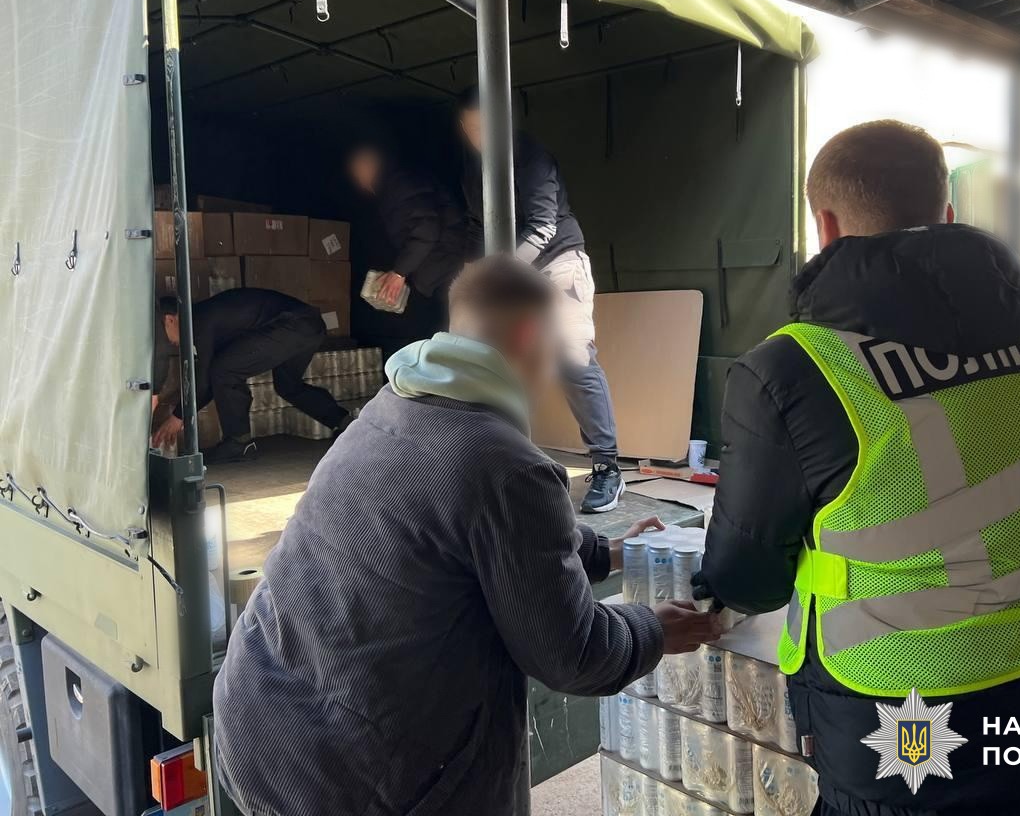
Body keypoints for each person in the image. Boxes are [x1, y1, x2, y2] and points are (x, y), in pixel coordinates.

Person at [698, 120, 1020, 816]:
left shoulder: (794, 367)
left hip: (909, 725)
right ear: (947, 213)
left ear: (825, 226)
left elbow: (745, 578)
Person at [212, 256, 721, 816]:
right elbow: (573, 654)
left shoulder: (392, 405)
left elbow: (478, 532)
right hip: (351, 779)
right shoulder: (508, 465)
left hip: (259, 717)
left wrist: (607, 552)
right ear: (529, 338)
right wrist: (654, 630)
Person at [458, 87, 624, 513]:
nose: (481, 136)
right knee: (494, 361)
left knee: (572, 358)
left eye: (486, 127)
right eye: (472, 129)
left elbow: (543, 227)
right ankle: (500, 464)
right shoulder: (472, 170)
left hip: (557, 264)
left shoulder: (531, 157)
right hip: (508, 271)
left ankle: (607, 466)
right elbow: (477, 227)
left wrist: (500, 274)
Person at [152, 289, 350, 463]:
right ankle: (344, 422)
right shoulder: (205, 319)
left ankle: (239, 442)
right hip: (308, 324)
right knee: (287, 386)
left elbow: (205, 381)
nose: (169, 344)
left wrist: (178, 416)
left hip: (294, 324)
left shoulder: (198, 321)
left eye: (163, 334)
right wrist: (182, 413)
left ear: (170, 319)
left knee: (224, 370)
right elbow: (210, 383)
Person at [346, 139, 468, 309]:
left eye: (359, 175)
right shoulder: (394, 186)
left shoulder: (399, 184)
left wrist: (399, 273)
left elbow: (426, 230)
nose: (361, 183)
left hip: (448, 268)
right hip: (443, 269)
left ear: (369, 167)